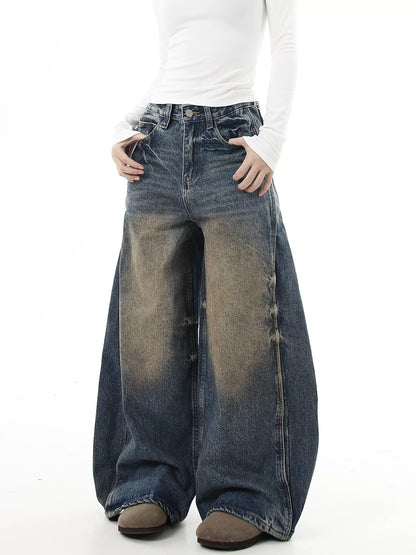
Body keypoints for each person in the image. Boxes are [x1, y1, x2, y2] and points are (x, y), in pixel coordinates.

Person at [93, 0, 319, 550]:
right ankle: (149, 480)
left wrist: (273, 140)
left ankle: (245, 493)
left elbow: (286, 44)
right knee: (148, 322)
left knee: (242, 326)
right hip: (156, 145)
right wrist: (127, 123)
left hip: (233, 147)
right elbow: (174, 60)